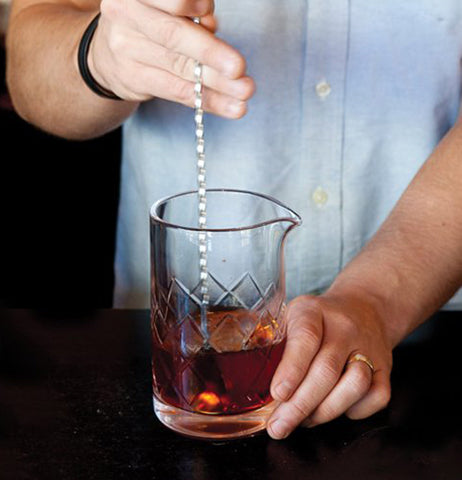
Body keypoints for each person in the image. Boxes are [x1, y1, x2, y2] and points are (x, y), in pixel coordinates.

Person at [6, 0, 462, 440]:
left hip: (431, 355)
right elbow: (32, 49)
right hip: (163, 361)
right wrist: (99, 57)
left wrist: (378, 299)